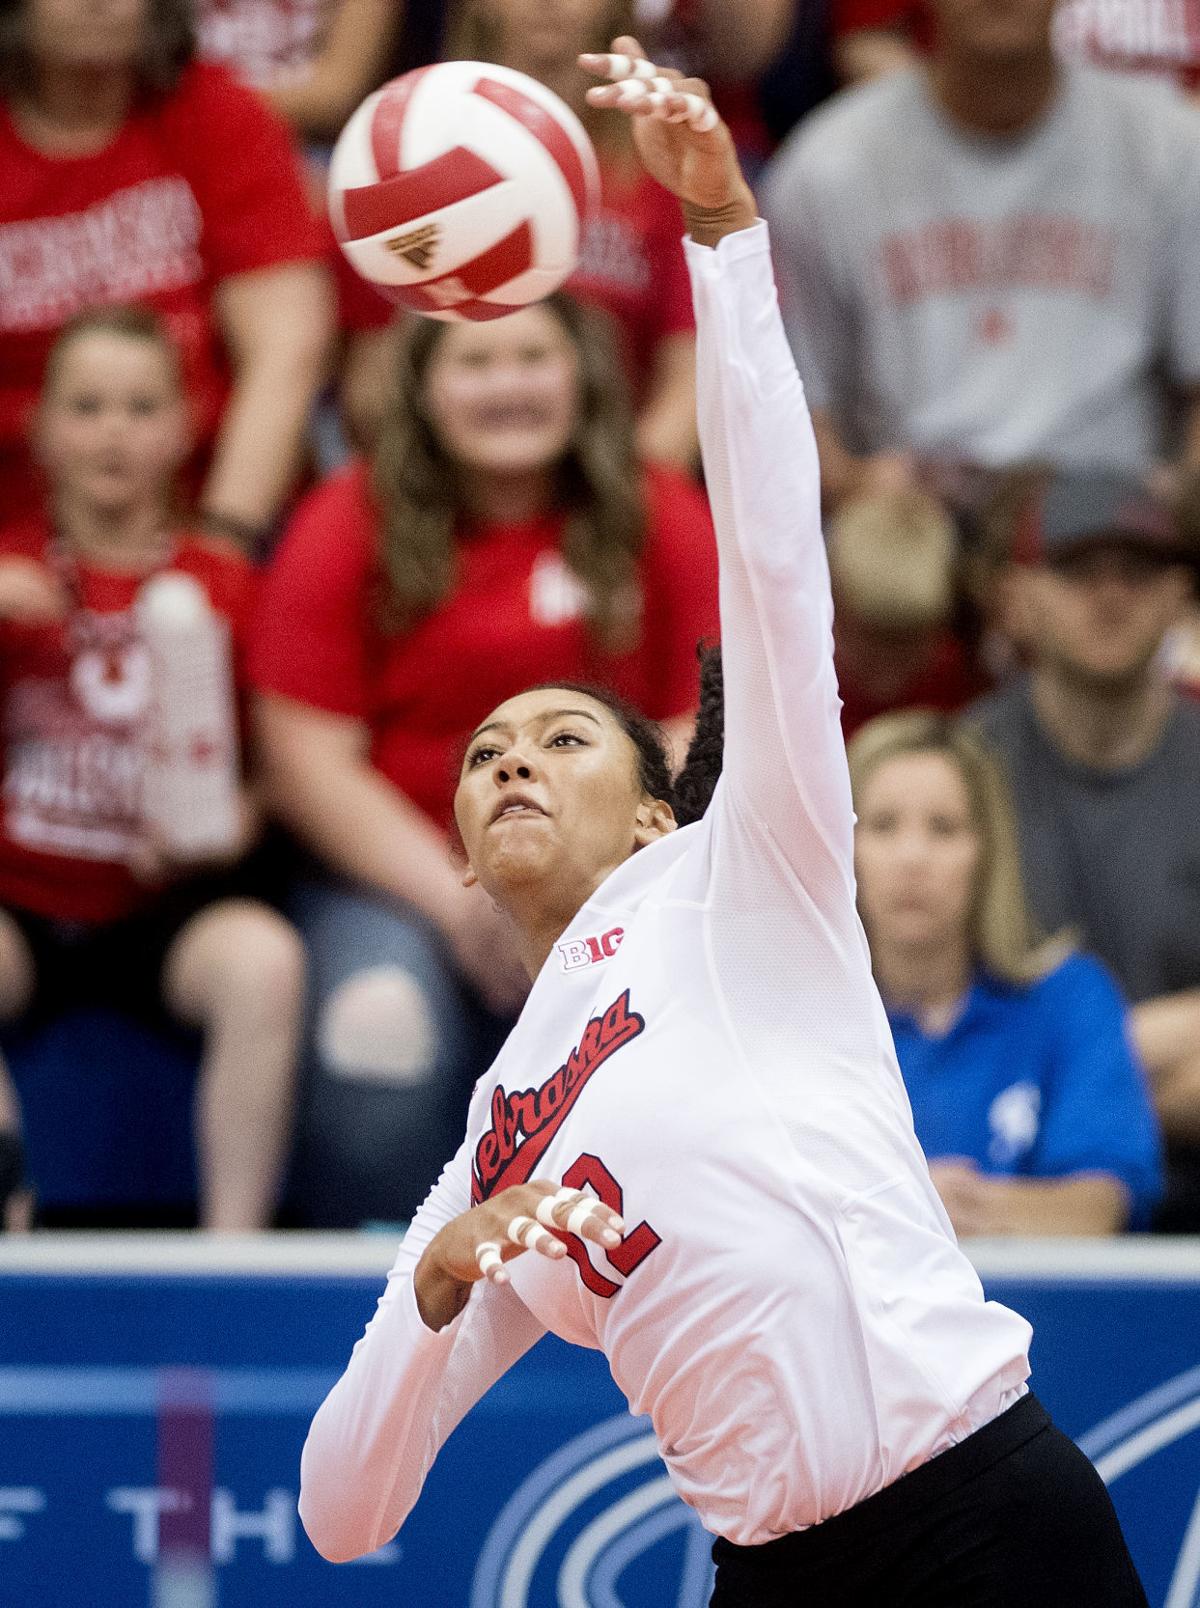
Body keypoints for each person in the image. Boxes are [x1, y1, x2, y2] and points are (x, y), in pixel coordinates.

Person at [299, 46, 1148, 1605]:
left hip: (979, 1518)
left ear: (650, 817)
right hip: (767, 1570)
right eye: (482, 755)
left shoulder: (740, 880)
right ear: (463, 857)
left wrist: (722, 235)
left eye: (564, 737)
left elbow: (773, 565)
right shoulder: (499, 1132)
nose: (511, 761)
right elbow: (341, 1512)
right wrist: (435, 1286)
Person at [251, 289, 717, 1229]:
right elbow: (306, 760)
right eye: (475, 362)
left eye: (533, 357)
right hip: (405, 880)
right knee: (376, 1023)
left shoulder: (659, 510)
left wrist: (583, 886)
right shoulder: (348, 519)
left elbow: (702, 721)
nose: (508, 385)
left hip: (622, 878)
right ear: (422, 387)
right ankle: (395, 1289)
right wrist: (474, 901)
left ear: (582, 376)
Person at [0, 306, 304, 1231]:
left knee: (265, 962)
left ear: (185, 428)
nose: (113, 432)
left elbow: (286, 761)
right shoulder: (9, 574)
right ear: (41, 428)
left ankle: (231, 1259)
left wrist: (236, 824)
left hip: (164, 904)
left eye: (140, 408)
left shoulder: (229, 586)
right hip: (20, 899)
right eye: (87, 407)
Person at [763, 0, 1200, 513]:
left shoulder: (1173, 148)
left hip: (1108, 512)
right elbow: (795, 420)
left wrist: (1178, 508)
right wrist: (856, 487)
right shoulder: (822, 170)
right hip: (917, 519)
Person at [0, 0, 334, 540]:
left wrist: (220, 544)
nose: (97, 6)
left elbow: (286, 349)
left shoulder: (216, 110)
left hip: (206, 509)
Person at [969, 466, 1200, 1227]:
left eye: (1138, 572)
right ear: (1020, 595)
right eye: (1077, 571)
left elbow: (993, 1066)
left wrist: (1072, 1080)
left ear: (1180, 593)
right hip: (1006, 1215)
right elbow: (918, 1026)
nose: (1110, 596)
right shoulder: (965, 772)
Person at [340, 0, 700, 470]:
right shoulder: (405, 150)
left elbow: (691, 381)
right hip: (445, 488)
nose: (547, 3)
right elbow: (370, 388)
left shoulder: (661, 156)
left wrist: (616, 495)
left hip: (618, 474)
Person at [848, 709, 1162, 1235]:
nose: (912, 856)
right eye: (882, 826)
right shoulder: (797, 1022)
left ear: (987, 851)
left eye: (944, 828)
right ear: (841, 848)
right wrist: (913, 1203)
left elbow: (1099, 1205)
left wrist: (926, 1208)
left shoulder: (1070, 998)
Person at [828, 486, 989, 736]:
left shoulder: (960, 680)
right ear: (834, 611)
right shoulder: (799, 679)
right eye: (870, 643)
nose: (887, 672)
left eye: (907, 646)